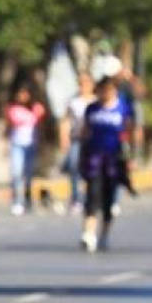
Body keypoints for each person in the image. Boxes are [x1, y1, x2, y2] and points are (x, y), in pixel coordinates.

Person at [79, 77, 134, 252]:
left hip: (114, 158)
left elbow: (130, 130)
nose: (105, 93)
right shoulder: (92, 108)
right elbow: (85, 131)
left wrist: (131, 156)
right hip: (94, 158)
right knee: (92, 194)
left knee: (109, 197)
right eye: (102, 90)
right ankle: (89, 232)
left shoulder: (123, 108)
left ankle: (105, 234)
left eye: (109, 90)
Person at [5, 84, 46, 216]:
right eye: (19, 93)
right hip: (17, 144)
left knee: (28, 174)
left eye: (24, 93)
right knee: (16, 172)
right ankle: (17, 200)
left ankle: (28, 198)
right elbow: (9, 125)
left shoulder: (36, 108)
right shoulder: (13, 109)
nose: (22, 96)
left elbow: (41, 125)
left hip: (31, 144)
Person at [58, 72, 95, 216]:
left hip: (93, 140)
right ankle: (76, 198)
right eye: (81, 83)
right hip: (77, 139)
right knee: (74, 166)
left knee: (92, 169)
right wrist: (64, 138)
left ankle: (91, 197)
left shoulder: (96, 101)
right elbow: (66, 120)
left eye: (86, 83)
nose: (83, 86)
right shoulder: (73, 101)